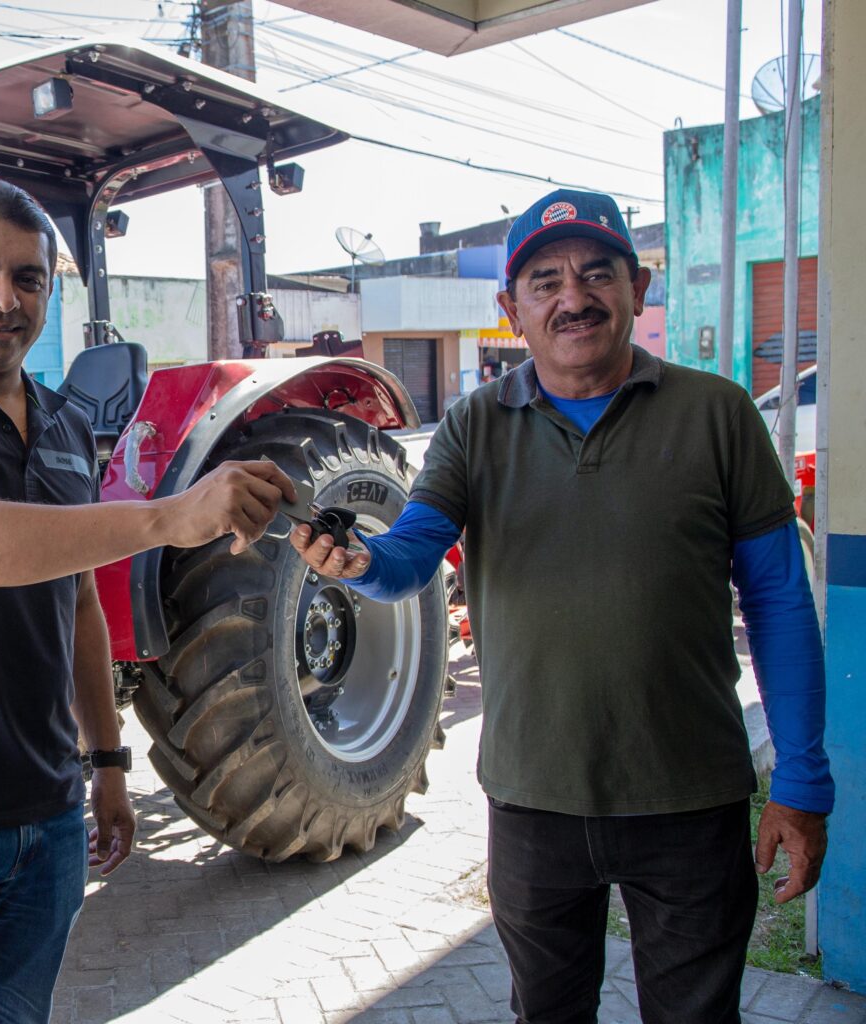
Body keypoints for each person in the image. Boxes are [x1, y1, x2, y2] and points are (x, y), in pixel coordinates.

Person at [292, 188, 832, 1024]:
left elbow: (780, 605)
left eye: (595, 274)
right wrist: (357, 561)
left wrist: (802, 779)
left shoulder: (717, 415)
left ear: (638, 287)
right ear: (512, 308)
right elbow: (407, 558)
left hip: (690, 798)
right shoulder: (476, 426)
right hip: (534, 803)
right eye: (544, 281)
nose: (572, 297)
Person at [0, 178, 297, 1023]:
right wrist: (167, 518)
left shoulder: (69, 426)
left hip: (47, 809)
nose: (4, 300)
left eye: (28, 279)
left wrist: (107, 764)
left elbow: (79, 603)